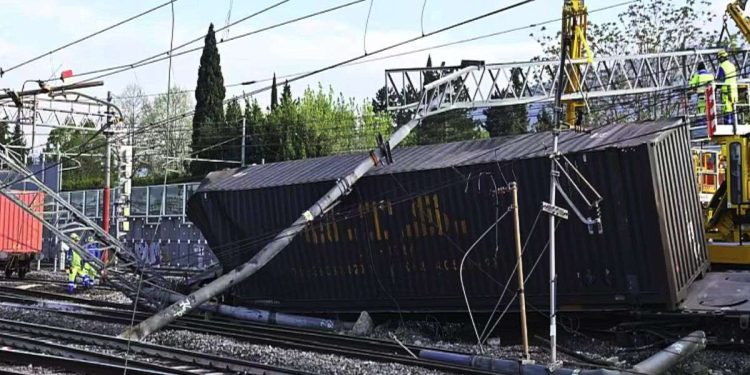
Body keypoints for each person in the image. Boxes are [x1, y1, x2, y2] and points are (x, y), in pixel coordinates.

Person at [689, 62, 715, 138]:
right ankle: (710, 126)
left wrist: (694, 88)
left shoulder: (697, 76)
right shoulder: (710, 75)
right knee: (710, 112)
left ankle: (703, 127)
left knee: (702, 112)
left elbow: (692, 85)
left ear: (698, 69)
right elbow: (714, 85)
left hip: (701, 96)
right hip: (710, 97)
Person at [716, 50, 739, 125]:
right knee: (734, 109)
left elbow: (720, 80)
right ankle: (735, 124)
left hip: (726, 91)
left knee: (727, 109)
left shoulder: (722, 66)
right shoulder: (732, 65)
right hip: (734, 90)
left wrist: (715, 87)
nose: (719, 60)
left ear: (721, 58)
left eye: (719, 59)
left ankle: (728, 125)